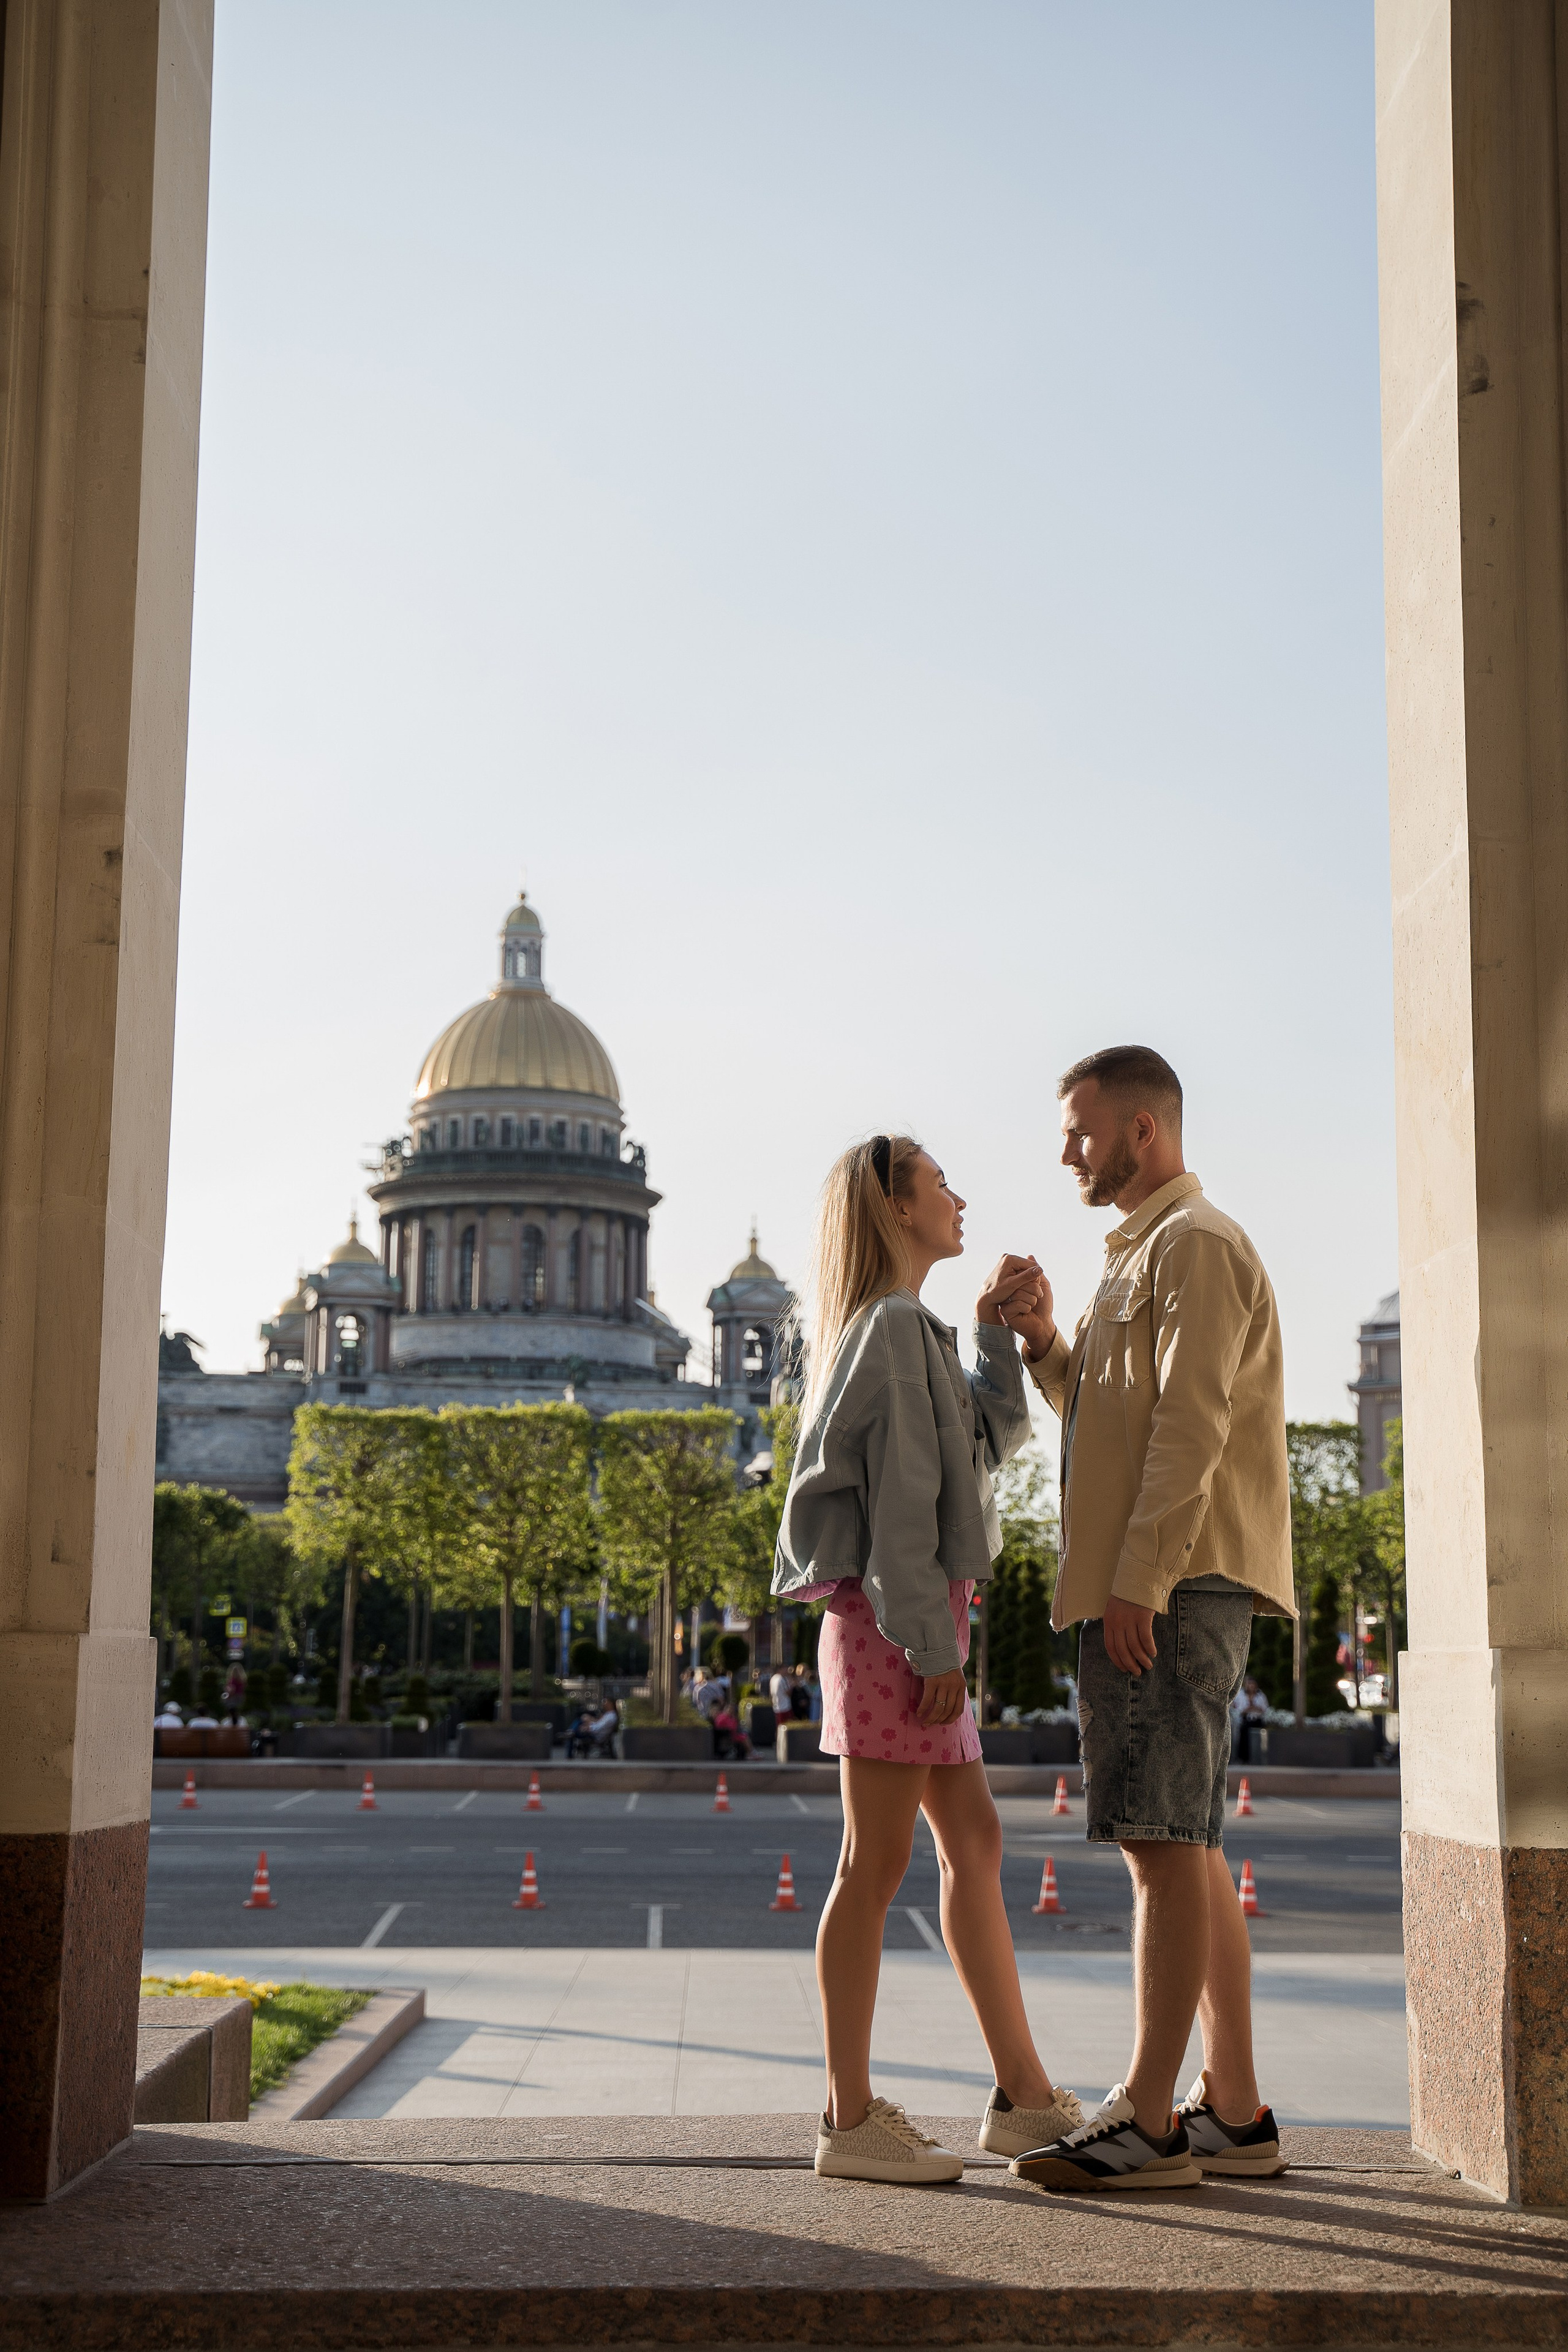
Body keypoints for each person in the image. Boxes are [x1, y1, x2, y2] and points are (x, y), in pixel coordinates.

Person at [997, 1046, 1295, 2193]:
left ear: (1142, 1131)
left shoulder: (1196, 1247)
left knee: (1161, 1847)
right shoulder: (1148, 1252)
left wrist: (1142, 1581)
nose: (1066, 1150)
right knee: (1188, 1843)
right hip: (1157, 1578)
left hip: (1170, 1585)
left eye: (1080, 1129)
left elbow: (1193, 1425)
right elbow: (1116, 1418)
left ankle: (1150, 2122)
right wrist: (1043, 1346)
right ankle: (1234, 2109)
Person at [774, 1133, 1083, 2187]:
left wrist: (999, 1334)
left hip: (906, 1617)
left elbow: (976, 1451)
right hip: (900, 1622)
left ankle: (1024, 2098)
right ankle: (849, 2118)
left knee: (974, 1841)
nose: (960, 1196)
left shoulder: (905, 1327)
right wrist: (931, 1642)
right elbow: (905, 1505)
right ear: (897, 1209)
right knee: (875, 1865)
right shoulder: (896, 1325)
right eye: (940, 1183)